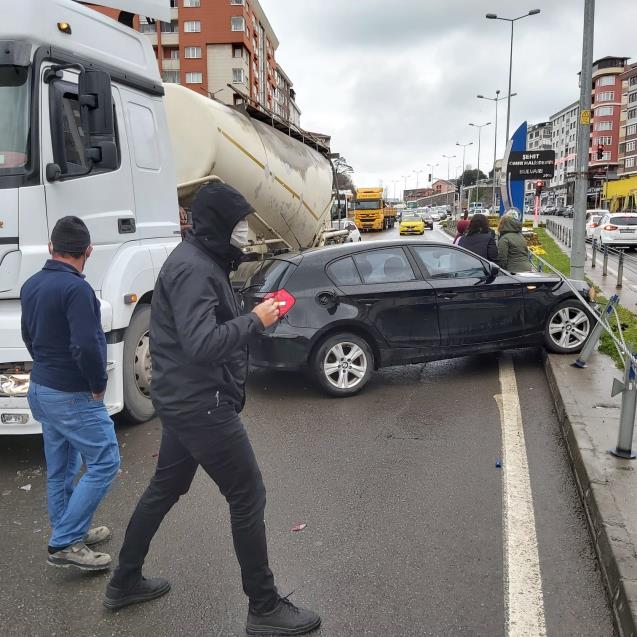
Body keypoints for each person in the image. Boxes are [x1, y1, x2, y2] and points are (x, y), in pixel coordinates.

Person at [104, 182, 321, 636]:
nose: (245, 232)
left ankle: (124, 580)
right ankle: (263, 607)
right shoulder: (194, 269)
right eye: (239, 223)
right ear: (219, 224)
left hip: (186, 401)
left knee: (165, 488)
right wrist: (255, 321)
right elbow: (202, 345)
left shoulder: (202, 262)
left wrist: (251, 315)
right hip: (202, 404)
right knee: (248, 495)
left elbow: (201, 330)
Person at [21, 216, 120, 571]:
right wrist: (97, 384)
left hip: (41, 389)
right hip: (72, 394)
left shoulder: (32, 284)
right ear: (88, 251)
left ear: (51, 248)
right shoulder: (77, 290)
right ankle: (65, 541)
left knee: (62, 467)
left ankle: (68, 530)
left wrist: (46, 368)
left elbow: (28, 337)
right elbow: (87, 345)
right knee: (106, 460)